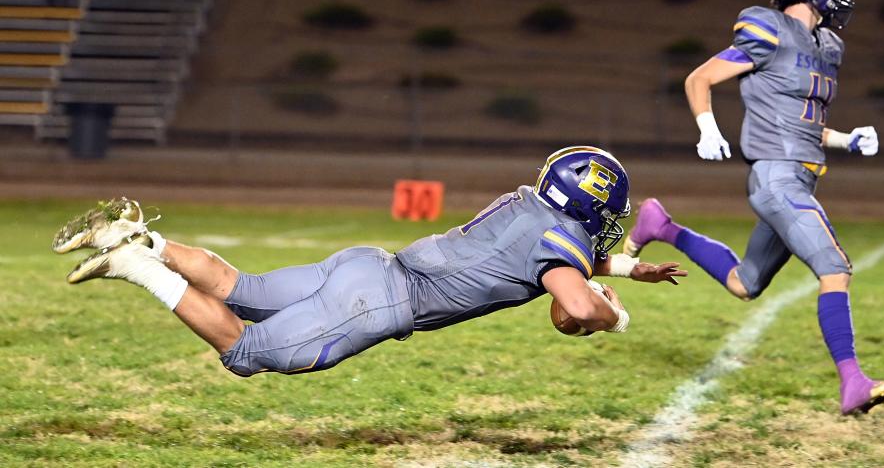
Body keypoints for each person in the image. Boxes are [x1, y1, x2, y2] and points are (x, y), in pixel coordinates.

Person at [53, 146, 686, 376]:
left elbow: (547, 263)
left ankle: (143, 237)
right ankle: (136, 265)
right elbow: (569, 301)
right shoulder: (563, 242)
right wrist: (612, 317)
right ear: (591, 201)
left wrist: (629, 270)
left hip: (368, 265)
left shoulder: (527, 207)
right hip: (380, 303)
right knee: (246, 352)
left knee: (236, 285)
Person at [621, 0, 884, 415]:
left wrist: (847, 140)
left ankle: (660, 226)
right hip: (777, 181)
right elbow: (700, 79)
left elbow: (805, 125)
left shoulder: (827, 46)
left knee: (744, 282)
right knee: (836, 269)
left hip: (799, 176)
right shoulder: (768, 30)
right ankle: (853, 382)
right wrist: (707, 128)